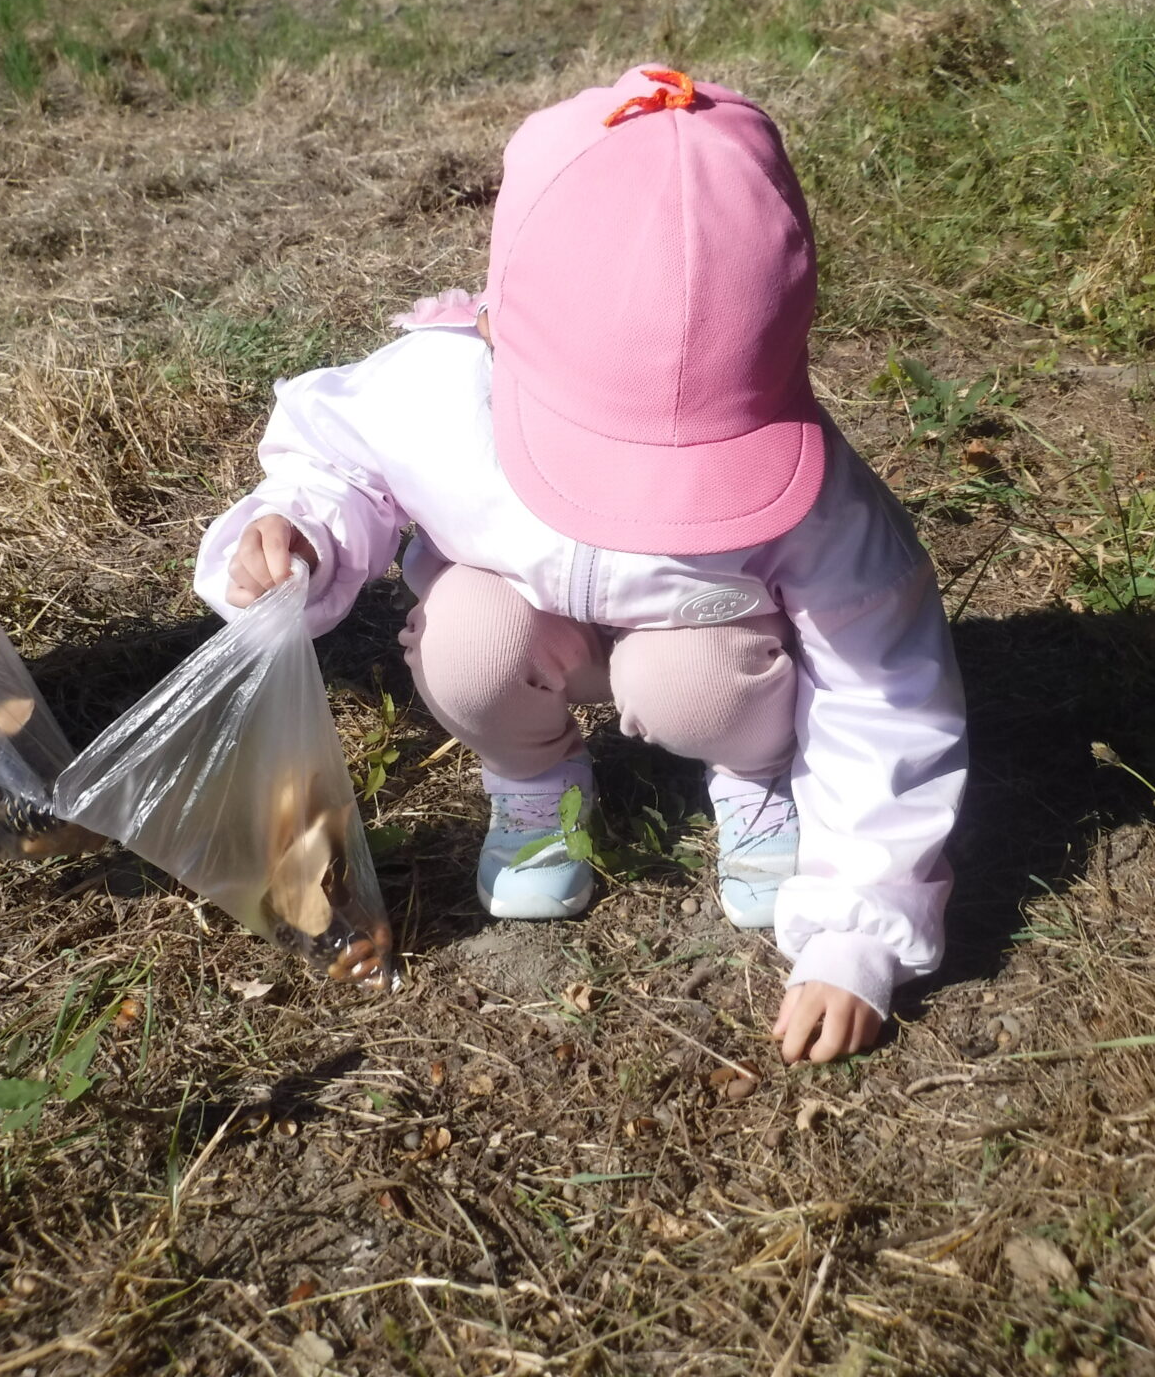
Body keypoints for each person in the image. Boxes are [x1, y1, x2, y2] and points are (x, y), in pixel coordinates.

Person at [194, 66, 967, 1063]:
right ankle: (534, 778)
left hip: (703, 649)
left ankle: (757, 774)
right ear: (495, 334)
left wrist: (861, 929)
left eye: (697, 464)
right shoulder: (438, 396)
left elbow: (885, 690)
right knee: (465, 640)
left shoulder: (819, 499)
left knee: (693, 680)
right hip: (526, 628)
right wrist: (295, 527)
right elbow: (336, 459)